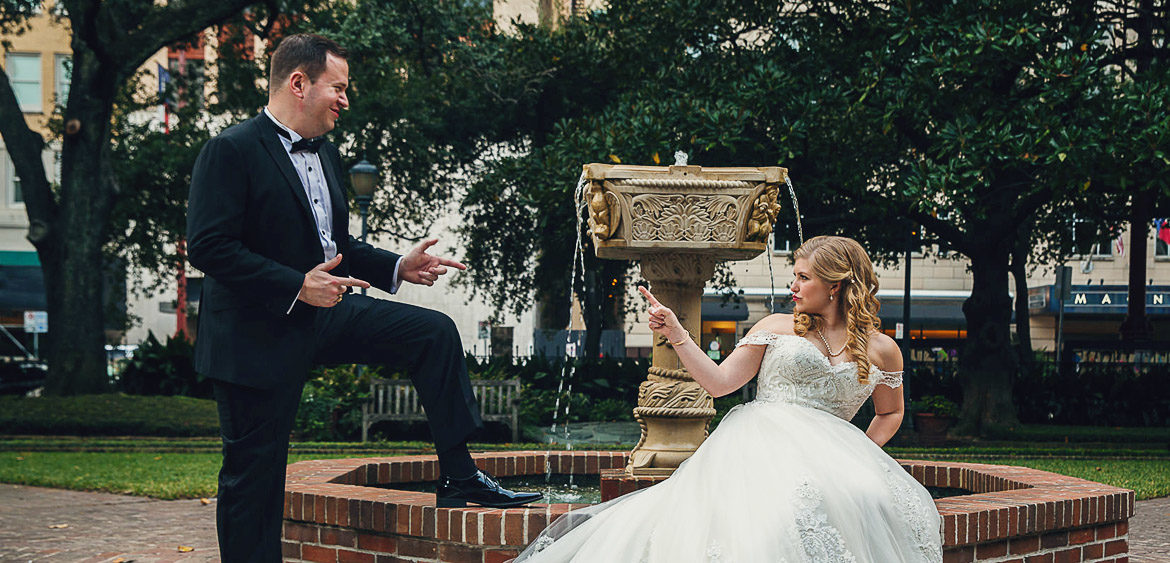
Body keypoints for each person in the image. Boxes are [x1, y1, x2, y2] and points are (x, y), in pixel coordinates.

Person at [186, 33, 540, 563]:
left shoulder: (326, 154)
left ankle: (461, 476)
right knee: (253, 477)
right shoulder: (229, 150)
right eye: (339, 88)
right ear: (299, 83)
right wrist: (296, 284)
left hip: (324, 314)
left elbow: (339, 247)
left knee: (432, 333)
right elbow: (209, 247)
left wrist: (398, 266)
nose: (346, 100)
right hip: (253, 333)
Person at [516, 236, 943, 562]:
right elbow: (720, 384)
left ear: (835, 286)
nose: (793, 285)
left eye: (803, 277)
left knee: (872, 504)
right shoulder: (776, 326)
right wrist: (678, 335)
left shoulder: (883, 348)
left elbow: (891, 411)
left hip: (832, 460)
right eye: (794, 274)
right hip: (759, 447)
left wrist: (854, 455)